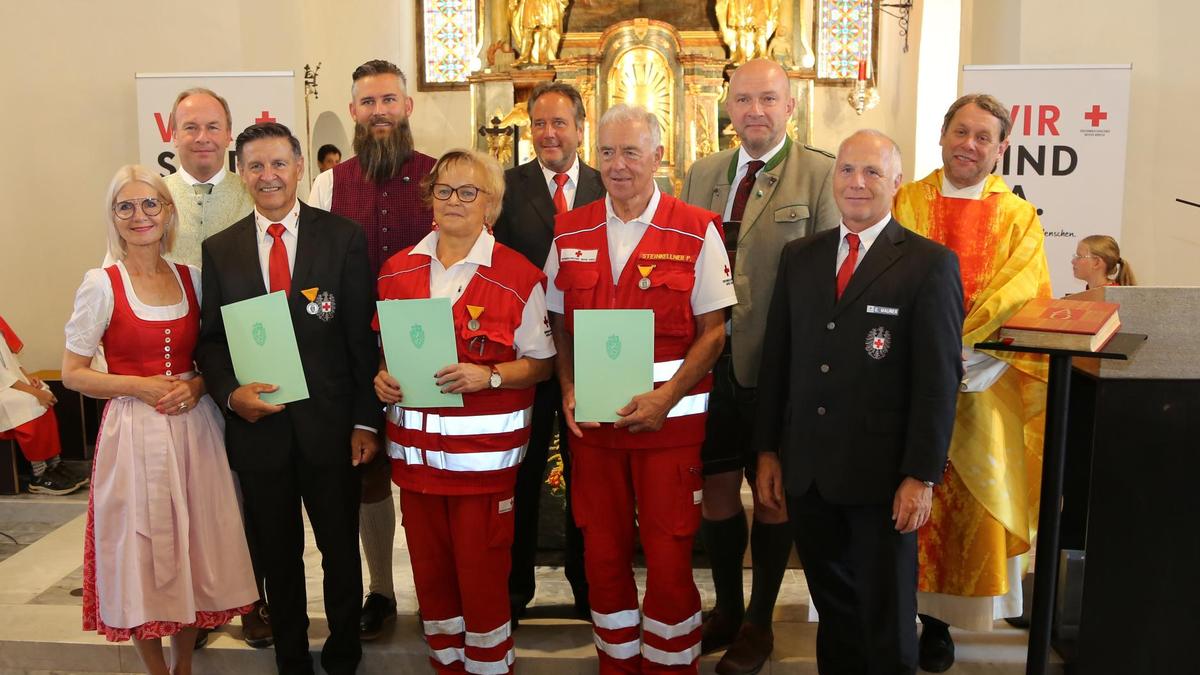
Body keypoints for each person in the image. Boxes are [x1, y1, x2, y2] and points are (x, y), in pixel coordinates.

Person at [755, 130, 965, 675]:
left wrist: (921, 475)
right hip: (809, 475)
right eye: (848, 170)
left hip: (884, 481)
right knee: (837, 614)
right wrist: (769, 453)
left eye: (872, 172)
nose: (857, 183)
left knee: (886, 618)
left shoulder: (929, 265)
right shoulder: (800, 257)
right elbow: (778, 361)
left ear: (897, 183)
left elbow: (938, 382)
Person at [545, 104, 736, 673]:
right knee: (601, 557)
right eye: (607, 152)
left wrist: (666, 396)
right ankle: (618, 663)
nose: (618, 165)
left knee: (670, 555)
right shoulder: (568, 230)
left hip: (669, 432)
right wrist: (569, 383)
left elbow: (715, 333)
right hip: (595, 434)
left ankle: (671, 665)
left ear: (659, 155)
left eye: (631, 152)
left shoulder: (697, 228)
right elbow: (557, 319)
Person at [195, 122, 381, 675]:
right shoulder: (220, 249)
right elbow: (210, 340)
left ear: (300, 167)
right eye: (255, 166)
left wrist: (366, 424)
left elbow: (360, 337)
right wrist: (230, 396)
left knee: (340, 551)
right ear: (241, 173)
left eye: (279, 163)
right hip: (260, 431)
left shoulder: (342, 237)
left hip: (331, 429)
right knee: (276, 555)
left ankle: (344, 650)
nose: (268, 176)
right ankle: (293, 657)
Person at [61, 165, 258, 675]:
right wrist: (140, 386)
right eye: (125, 206)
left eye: (150, 204)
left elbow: (210, 356)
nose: (139, 215)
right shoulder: (100, 284)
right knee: (141, 550)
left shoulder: (191, 278)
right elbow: (74, 374)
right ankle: (155, 670)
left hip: (195, 430)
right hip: (133, 431)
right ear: (113, 217)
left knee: (194, 542)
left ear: (168, 212)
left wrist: (195, 385)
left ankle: (184, 666)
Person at [678, 57, 838, 674]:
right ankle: (726, 606)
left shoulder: (819, 176)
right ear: (728, 107)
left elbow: (829, 288)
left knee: (772, 495)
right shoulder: (702, 174)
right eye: (743, 100)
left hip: (782, 373)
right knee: (716, 489)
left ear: (790, 106)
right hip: (710, 364)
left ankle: (759, 621)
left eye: (768, 100)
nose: (755, 112)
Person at [374, 149, 554, 674]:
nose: (454, 202)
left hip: (482, 470)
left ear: (491, 205)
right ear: (430, 199)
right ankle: (446, 665)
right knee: (432, 585)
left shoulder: (519, 277)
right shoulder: (395, 271)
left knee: (481, 585)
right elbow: (387, 354)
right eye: (444, 191)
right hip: (416, 467)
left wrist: (491, 375)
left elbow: (541, 364)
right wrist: (381, 378)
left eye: (468, 192)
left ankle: (491, 667)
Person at [892, 93, 1053, 673]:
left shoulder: (1016, 217)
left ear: (1002, 148)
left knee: (962, 509)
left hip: (977, 382)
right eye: (961, 132)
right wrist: (924, 355)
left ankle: (939, 624)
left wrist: (962, 352)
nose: (969, 144)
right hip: (902, 380)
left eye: (984, 137)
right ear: (941, 135)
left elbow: (1023, 293)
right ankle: (893, 613)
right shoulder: (905, 200)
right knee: (898, 494)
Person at [309, 60, 436, 637]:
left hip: (426, 350)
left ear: (407, 107)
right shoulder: (328, 184)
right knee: (367, 474)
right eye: (368, 102)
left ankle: (441, 587)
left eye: (390, 99)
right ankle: (381, 589)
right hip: (350, 356)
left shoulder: (439, 178)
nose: (379, 110)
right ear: (354, 111)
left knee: (432, 474)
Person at [491, 80, 604, 624]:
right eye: (539, 124)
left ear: (581, 128)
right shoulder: (505, 188)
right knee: (522, 473)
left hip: (593, 356)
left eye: (560, 123)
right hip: (527, 357)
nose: (549, 133)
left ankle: (589, 588)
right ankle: (516, 591)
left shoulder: (611, 186)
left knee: (590, 475)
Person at [161, 88, 255, 268]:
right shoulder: (153, 198)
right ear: (174, 136)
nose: (202, 138)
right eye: (191, 128)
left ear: (228, 135)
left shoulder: (254, 196)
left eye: (213, 127)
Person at [0, 314, 87, 495]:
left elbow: (10, 360)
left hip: (8, 383)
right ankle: (38, 474)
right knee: (29, 402)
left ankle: (54, 465)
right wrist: (33, 393)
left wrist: (28, 377)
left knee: (45, 392)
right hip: (3, 387)